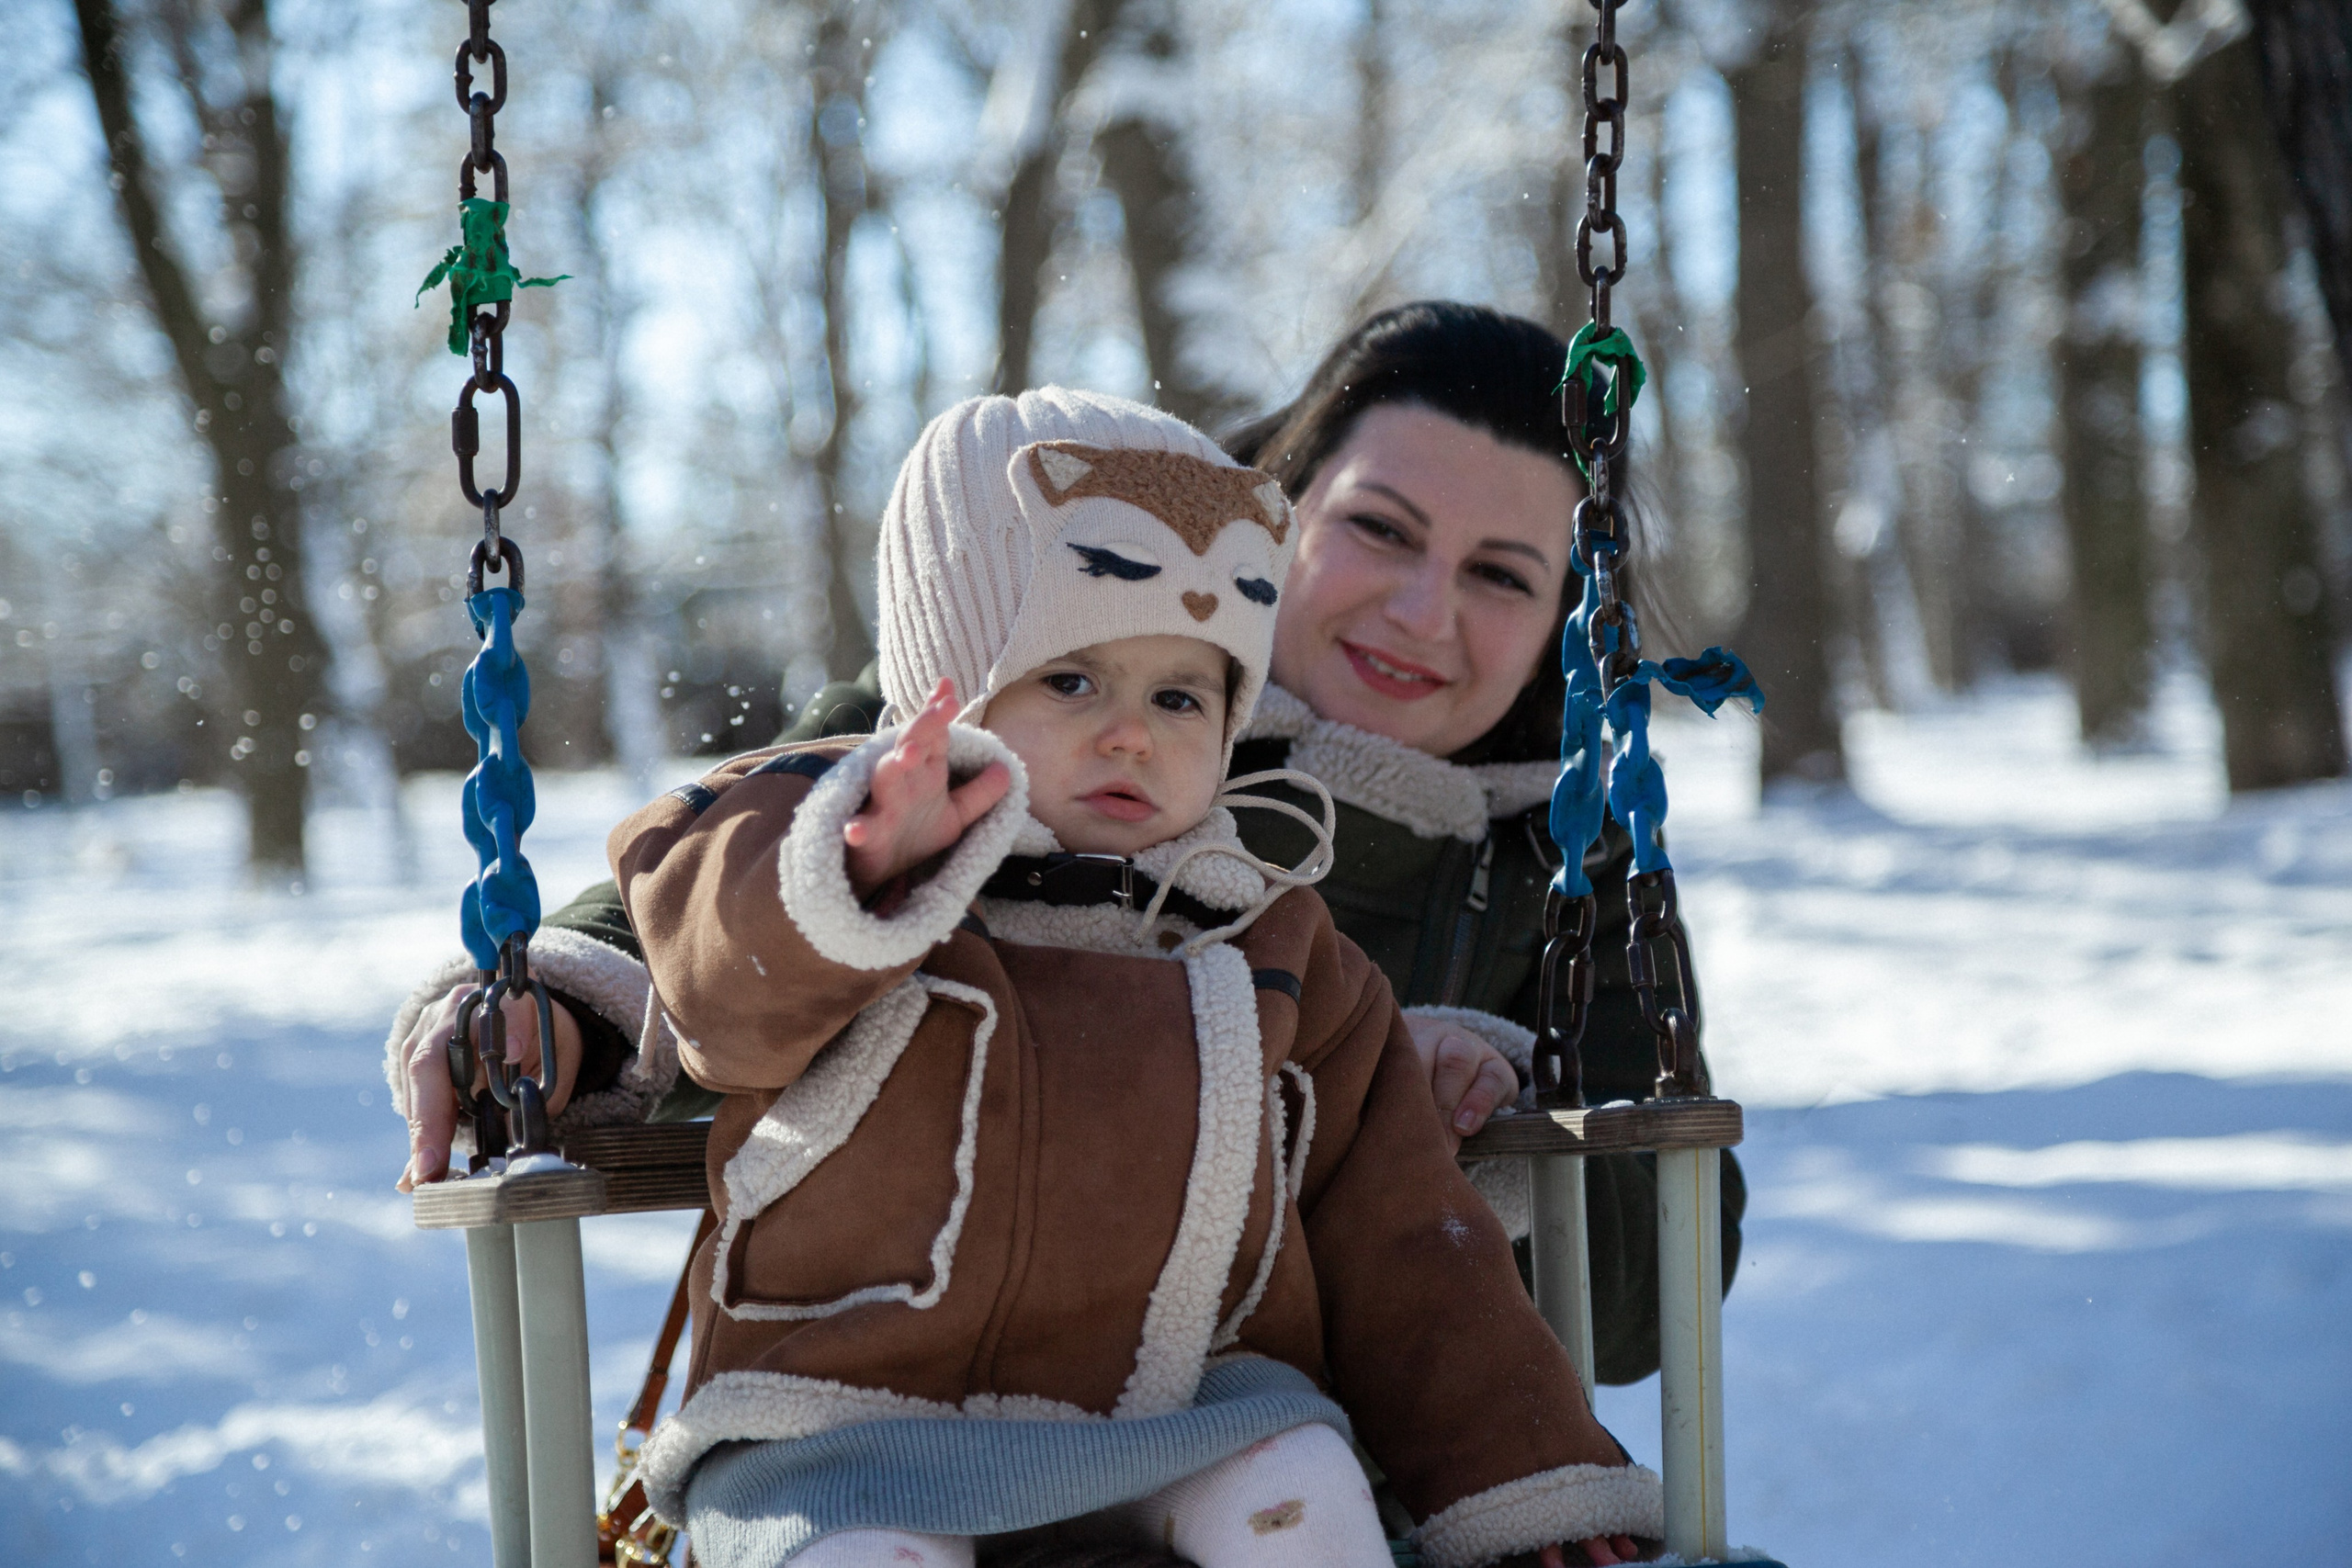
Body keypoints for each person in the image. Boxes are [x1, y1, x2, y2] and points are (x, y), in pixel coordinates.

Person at [388, 301, 1743, 1387]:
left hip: (1314, 1470)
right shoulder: (1009, 695)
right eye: (1379, 530)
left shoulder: (1569, 852)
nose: (1422, 611)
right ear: (1273, 517)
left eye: (1503, 574)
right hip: (905, 1412)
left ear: (1564, 622)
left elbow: (1651, 1300)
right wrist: (561, 1006)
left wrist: (1456, 1121)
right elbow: (723, 884)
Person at [588, 388, 1659, 1567]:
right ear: (953, 679)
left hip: (1189, 1409)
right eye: (1070, 681)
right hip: (845, 1409)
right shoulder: (827, 860)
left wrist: (1526, 1486)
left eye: (1179, 696)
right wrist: (855, 876)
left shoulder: (1271, 943)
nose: (1131, 734)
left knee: (1300, 1480)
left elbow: (1410, 1246)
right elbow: (720, 991)